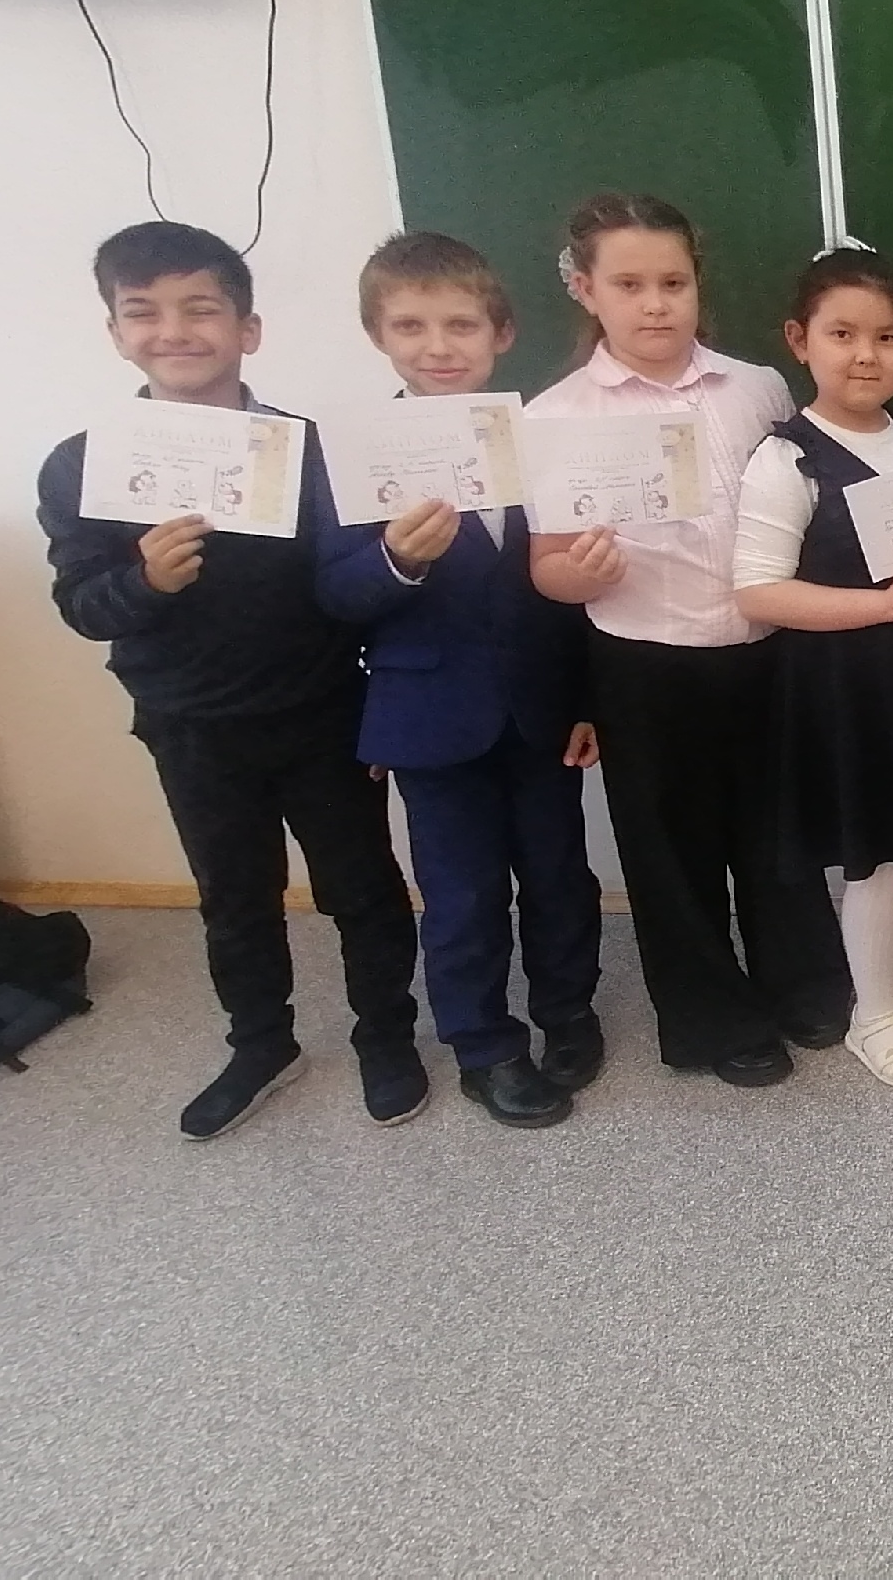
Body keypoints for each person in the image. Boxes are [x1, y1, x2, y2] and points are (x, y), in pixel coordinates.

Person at [36, 221, 422, 1139]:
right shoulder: (84, 463)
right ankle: (261, 1044)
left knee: (363, 888)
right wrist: (145, 581)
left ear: (247, 329)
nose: (175, 330)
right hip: (191, 726)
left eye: (201, 309)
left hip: (322, 715)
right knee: (234, 898)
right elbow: (81, 603)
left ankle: (386, 1034)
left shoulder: (308, 452)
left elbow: (348, 592)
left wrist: (381, 703)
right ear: (116, 333)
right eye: (144, 312)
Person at [528, 193, 848, 1089]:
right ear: (586, 290)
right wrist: (579, 574)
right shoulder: (554, 418)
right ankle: (714, 1020)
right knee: (673, 856)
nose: (655, 304)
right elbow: (546, 569)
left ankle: (803, 983)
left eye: (673, 282)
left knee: (778, 837)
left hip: (765, 650)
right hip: (645, 664)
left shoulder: (757, 388)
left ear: (698, 284)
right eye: (629, 285)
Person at [315, 233, 604, 1129]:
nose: (438, 346)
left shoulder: (541, 440)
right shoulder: (359, 454)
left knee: (560, 875)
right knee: (463, 892)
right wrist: (396, 560)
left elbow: (568, 591)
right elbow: (332, 594)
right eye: (411, 326)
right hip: (430, 718)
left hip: (541, 710)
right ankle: (485, 1047)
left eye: (461, 325)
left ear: (501, 333)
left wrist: (587, 700)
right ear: (378, 336)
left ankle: (568, 1011)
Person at [734, 244, 893, 1091]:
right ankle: (871, 1015)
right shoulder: (787, 458)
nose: (865, 355)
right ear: (799, 340)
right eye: (842, 334)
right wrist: (886, 605)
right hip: (846, 687)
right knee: (876, 858)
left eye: (886, 337)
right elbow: (759, 593)